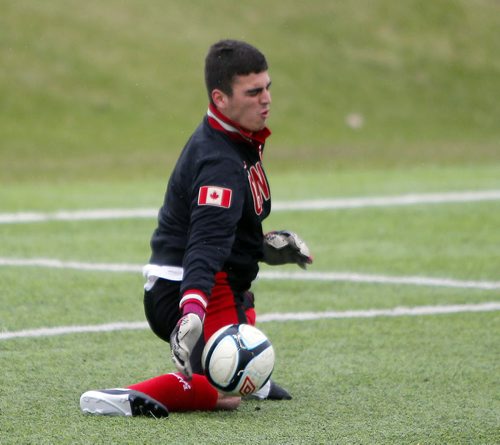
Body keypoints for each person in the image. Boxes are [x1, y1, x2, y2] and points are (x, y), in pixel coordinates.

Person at [80, 39, 312, 418]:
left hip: (215, 281)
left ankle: (236, 364)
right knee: (221, 394)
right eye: (253, 92)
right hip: (182, 287)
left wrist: (263, 247)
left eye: (268, 87)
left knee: (242, 306)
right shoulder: (219, 161)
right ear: (220, 99)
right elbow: (204, 245)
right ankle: (121, 397)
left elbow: (230, 228)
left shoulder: (237, 138)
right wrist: (191, 311)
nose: (266, 99)